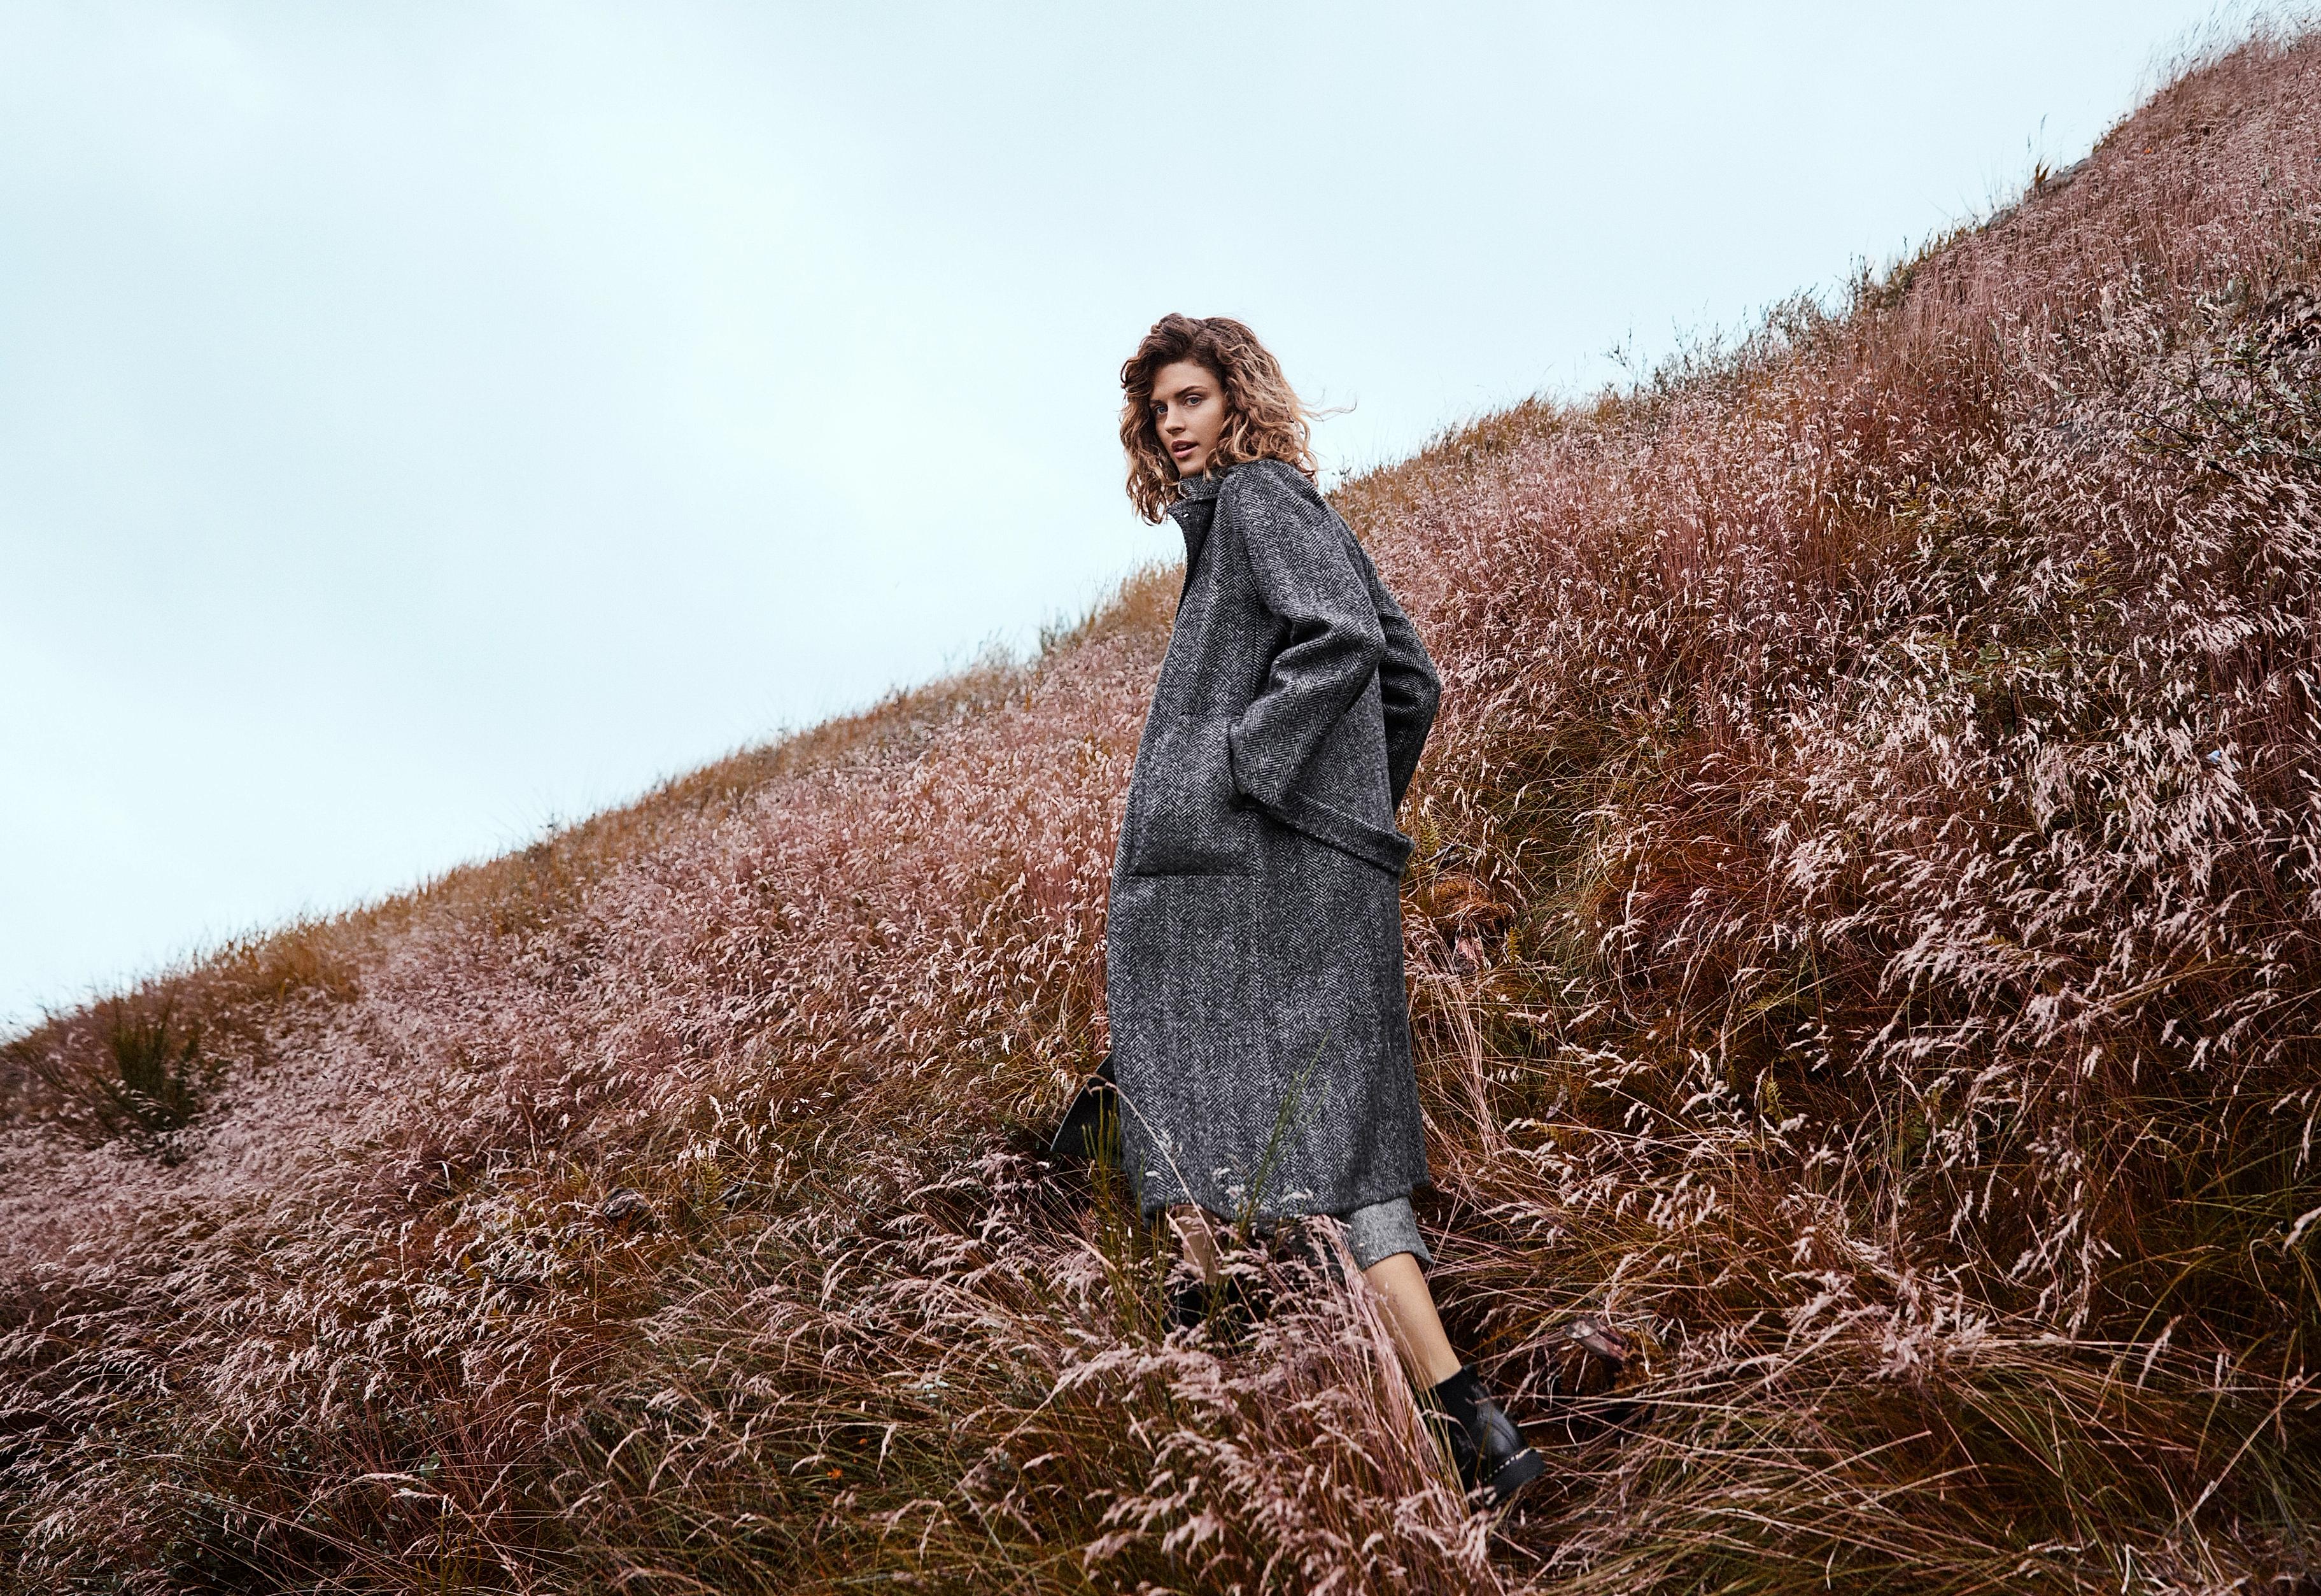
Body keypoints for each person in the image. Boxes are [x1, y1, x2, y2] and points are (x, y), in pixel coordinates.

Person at [1103, 312, 1545, 1508]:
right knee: (1334, 1150)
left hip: (1230, 882)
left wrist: (1248, 772)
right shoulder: (1282, 513)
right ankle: (1477, 1436)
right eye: (1159, 411)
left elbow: (1345, 645)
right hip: (1290, 877)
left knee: (1164, 1080)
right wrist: (1341, 819)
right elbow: (1412, 677)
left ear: (1236, 398)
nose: (1172, 426)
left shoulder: (1256, 503)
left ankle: (1198, 1348)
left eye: (1189, 399)